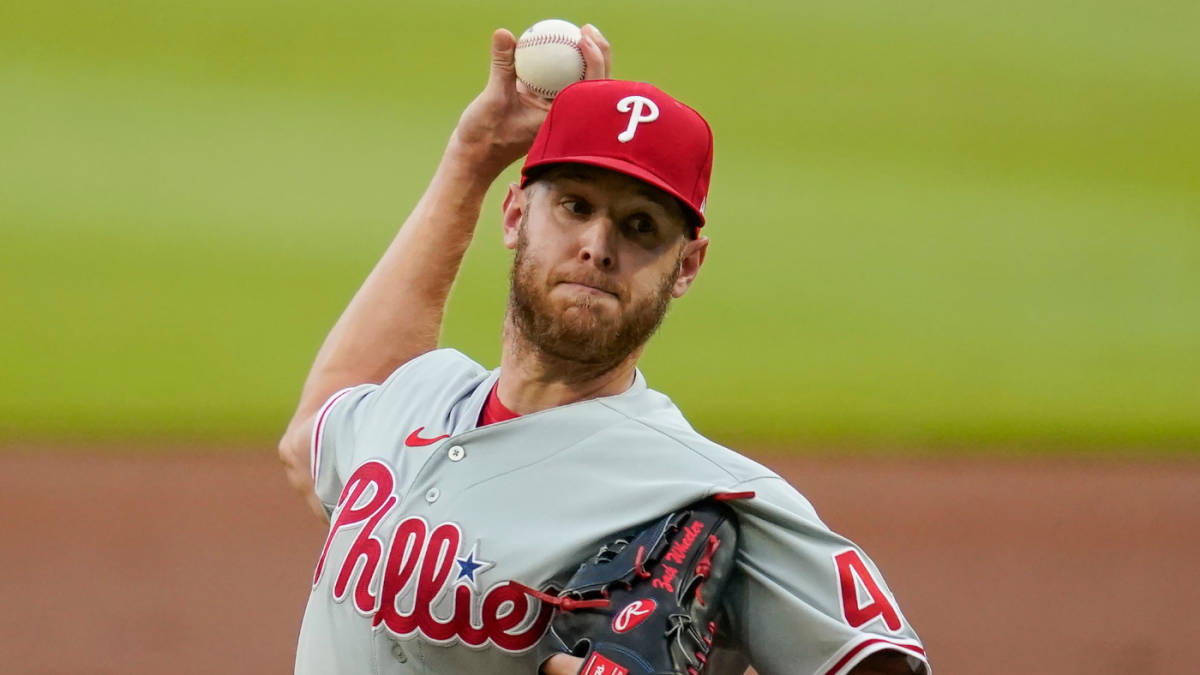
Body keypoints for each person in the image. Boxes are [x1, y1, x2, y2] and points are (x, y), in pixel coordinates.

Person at [278, 25, 930, 675]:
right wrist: (472, 156)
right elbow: (311, 442)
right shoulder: (421, 391)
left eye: (639, 224)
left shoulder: (706, 492)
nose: (597, 243)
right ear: (514, 216)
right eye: (574, 204)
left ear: (687, 266)